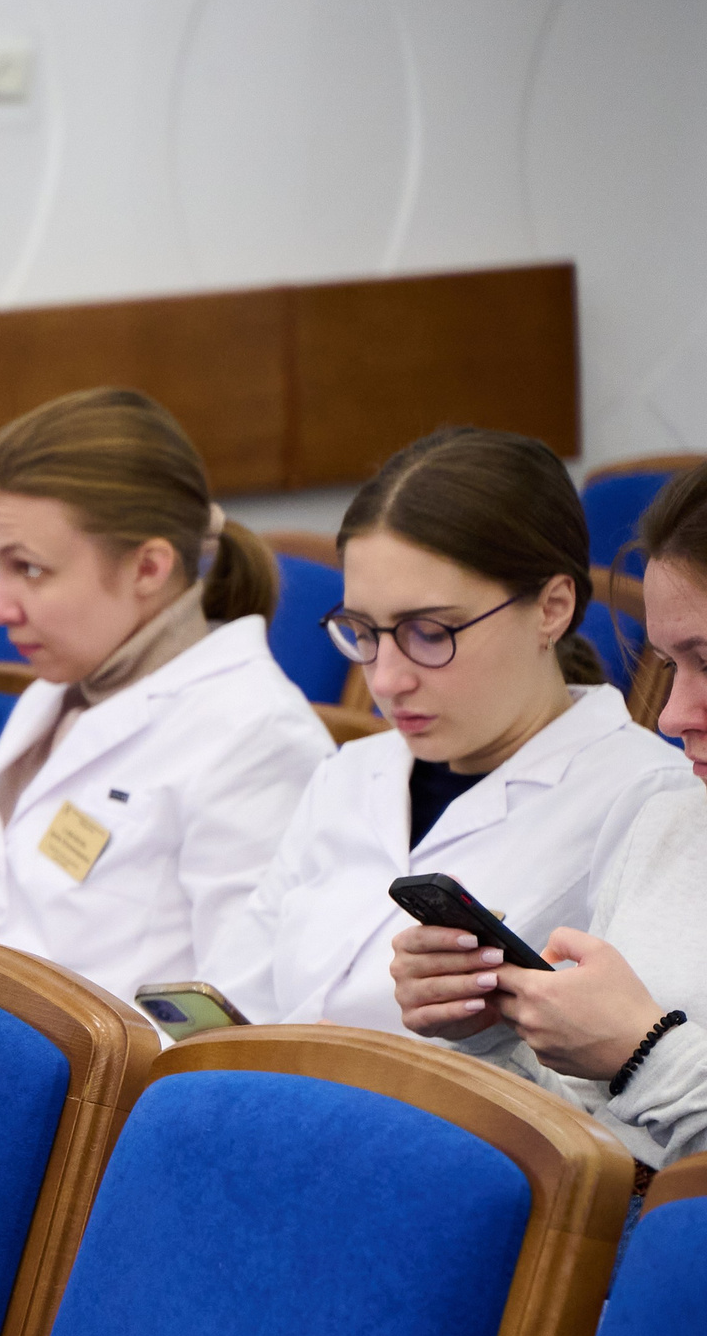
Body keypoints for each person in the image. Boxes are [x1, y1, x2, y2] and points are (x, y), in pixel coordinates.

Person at [204, 429, 688, 1032]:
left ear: (552, 608)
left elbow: (626, 1077)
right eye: (362, 631)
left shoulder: (651, 803)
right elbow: (232, 995)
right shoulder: (349, 774)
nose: (386, 680)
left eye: (430, 633)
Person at [0, 387, 330, 1004]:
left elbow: (240, 1022)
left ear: (148, 568)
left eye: (28, 568)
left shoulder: (259, 736)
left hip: (121, 1095)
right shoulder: (59, 689)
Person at [394, 459, 707, 1167]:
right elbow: (595, 1150)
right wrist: (490, 1035)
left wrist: (643, 1052)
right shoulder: (670, 819)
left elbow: (640, 1080)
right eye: (667, 665)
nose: (671, 715)